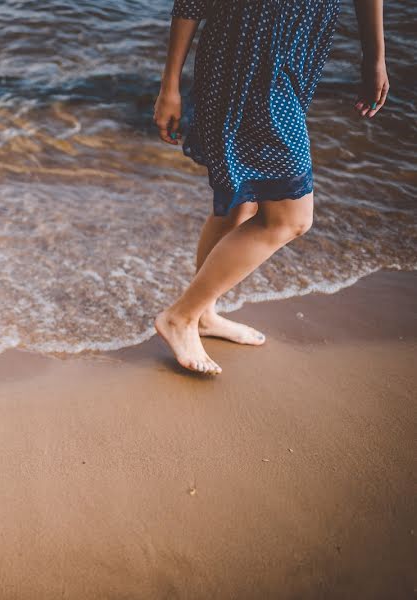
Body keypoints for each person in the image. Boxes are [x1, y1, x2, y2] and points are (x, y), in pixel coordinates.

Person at [152, 0, 388, 375]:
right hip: (244, 56)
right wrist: (171, 85)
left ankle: (204, 314)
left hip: (294, 57)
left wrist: (375, 55)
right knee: (291, 218)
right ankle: (180, 317)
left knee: (242, 203)